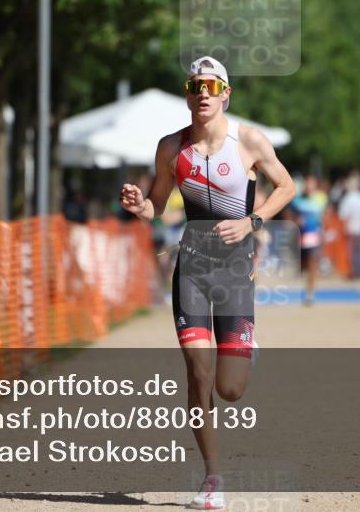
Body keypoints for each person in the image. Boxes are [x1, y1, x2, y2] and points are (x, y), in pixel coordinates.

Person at [118, 56, 295, 510]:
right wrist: (140, 206)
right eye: (195, 85)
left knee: (229, 389)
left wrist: (252, 221)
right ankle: (213, 478)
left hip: (235, 270)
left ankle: (244, 347)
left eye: (212, 86)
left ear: (225, 94)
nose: (203, 93)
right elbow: (157, 205)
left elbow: (286, 187)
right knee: (199, 374)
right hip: (192, 268)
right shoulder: (170, 148)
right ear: (187, 93)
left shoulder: (249, 141)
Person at [289, 175, 326, 306]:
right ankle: (306, 284)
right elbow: (290, 215)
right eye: (307, 184)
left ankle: (310, 293)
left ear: (315, 186)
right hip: (300, 237)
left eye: (312, 184)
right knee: (302, 266)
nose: (309, 186)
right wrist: (295, 222)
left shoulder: (321, 199)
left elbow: (325, 215)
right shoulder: (297, 200)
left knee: (312, 265)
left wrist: (324, 231)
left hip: (314, 236)